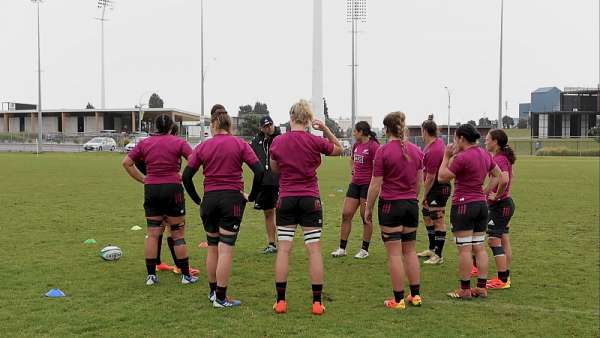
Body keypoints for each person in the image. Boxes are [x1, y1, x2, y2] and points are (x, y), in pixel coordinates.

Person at [182, 104, 264, 308]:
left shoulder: (203, 146)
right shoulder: (239, 144)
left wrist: (197, 200)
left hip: (209, 200)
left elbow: (186, 176)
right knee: (225, 250)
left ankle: (213, 292)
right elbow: (260, 171)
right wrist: (251, 197)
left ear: (213, 126)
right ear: (230, 125)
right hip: (232, 200)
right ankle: (220, 298)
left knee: (212, 248)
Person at [269, 99, 342, 315]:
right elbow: (339, 149)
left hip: (287, 199)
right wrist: (326, 129)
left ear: (291, 118)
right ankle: (317, 303)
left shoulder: (278, 142)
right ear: (309, 120)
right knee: (314, 250)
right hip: (311, 199)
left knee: (283, 249)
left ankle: (281, 301)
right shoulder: (314, 141)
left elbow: (274, 168)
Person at [122, 114, 198, 286]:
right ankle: (186, 276)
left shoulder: (145, 143)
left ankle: (151, 276)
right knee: (177, 233)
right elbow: (195, 161)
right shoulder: (178, 142)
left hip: (152, 189)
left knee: (153, 234)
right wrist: (182, 175)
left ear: (155, 127)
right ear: (171, 127)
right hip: (173, 189)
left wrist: (144, 179)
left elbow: (126, 162)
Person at [438, 124, 505, 300]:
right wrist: (484, 191)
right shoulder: (484, 154)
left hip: (463, 206)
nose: (453, 142)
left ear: (461, 138)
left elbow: (441, 177)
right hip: (481, 205)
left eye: (454, 139)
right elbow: (498, 175)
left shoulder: (462, 157)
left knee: (465, 250)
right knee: (479, 248)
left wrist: (446, 156)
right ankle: (482, 287)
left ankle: (465, 289)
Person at [365, 111, 424, 310]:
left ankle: (398, 300)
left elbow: (375, 185)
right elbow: (419, 183)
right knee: (410, 252)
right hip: (410, 205)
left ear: (386, 129)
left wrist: (368, 208)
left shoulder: (383, 151)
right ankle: (415, 296)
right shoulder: (417, 150)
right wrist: (411, 198)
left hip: (391, 205)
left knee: (394, 255)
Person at [331, 121, 379, 259]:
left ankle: (364, 249)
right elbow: (352, 159)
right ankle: (342, 248)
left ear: (362, 132)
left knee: (366, 217)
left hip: (367, 186)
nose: (353, 133)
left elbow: (378, 167)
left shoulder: (374, 146)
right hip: (355, 184)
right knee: (346, 214)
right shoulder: (357, 145)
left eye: (355, 131)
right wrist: (352, 167)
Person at [417, 116, 451, 265]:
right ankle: (432, 249)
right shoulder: (432, 145)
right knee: (426, 213)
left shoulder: (435, 149)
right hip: (434, 188)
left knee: (438, 220)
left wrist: (424, 194)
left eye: (421, 131)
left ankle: (438, 255)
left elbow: (430, 177)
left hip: (438, 188)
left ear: (424, 131)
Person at [484, 129, 516, 289]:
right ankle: (505, 276)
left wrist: (496, 196)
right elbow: (510, 177)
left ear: (495, 141)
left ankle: (502, 280)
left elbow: (504, 179)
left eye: (488, 139)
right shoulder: (503, 157)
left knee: (494, 240)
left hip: (500, 205)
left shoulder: (499, 159)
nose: (485, 141)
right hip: (505, 204)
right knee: (503, 239)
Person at [249, 115, 282, 254]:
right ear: (261, 128)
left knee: (282, 213)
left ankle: (284, 243)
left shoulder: (280, 138)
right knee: (268, 213)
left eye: (270, 125)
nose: (269, 128)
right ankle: (271, 244)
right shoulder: (257, 141)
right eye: (265, 126)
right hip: (265, 183)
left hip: (281, 182)